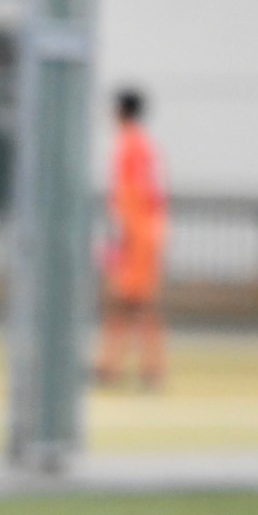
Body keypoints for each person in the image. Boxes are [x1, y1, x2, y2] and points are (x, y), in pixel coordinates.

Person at [94, 87, 167, 391]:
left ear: (122, 110)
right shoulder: (142, 143)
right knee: (127, 302)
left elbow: (133, 192)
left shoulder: (130, 144)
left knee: (134, 302)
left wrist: (122, 231)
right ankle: (112, 365)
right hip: (142, 230)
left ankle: (145, 369)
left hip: (136, 231)